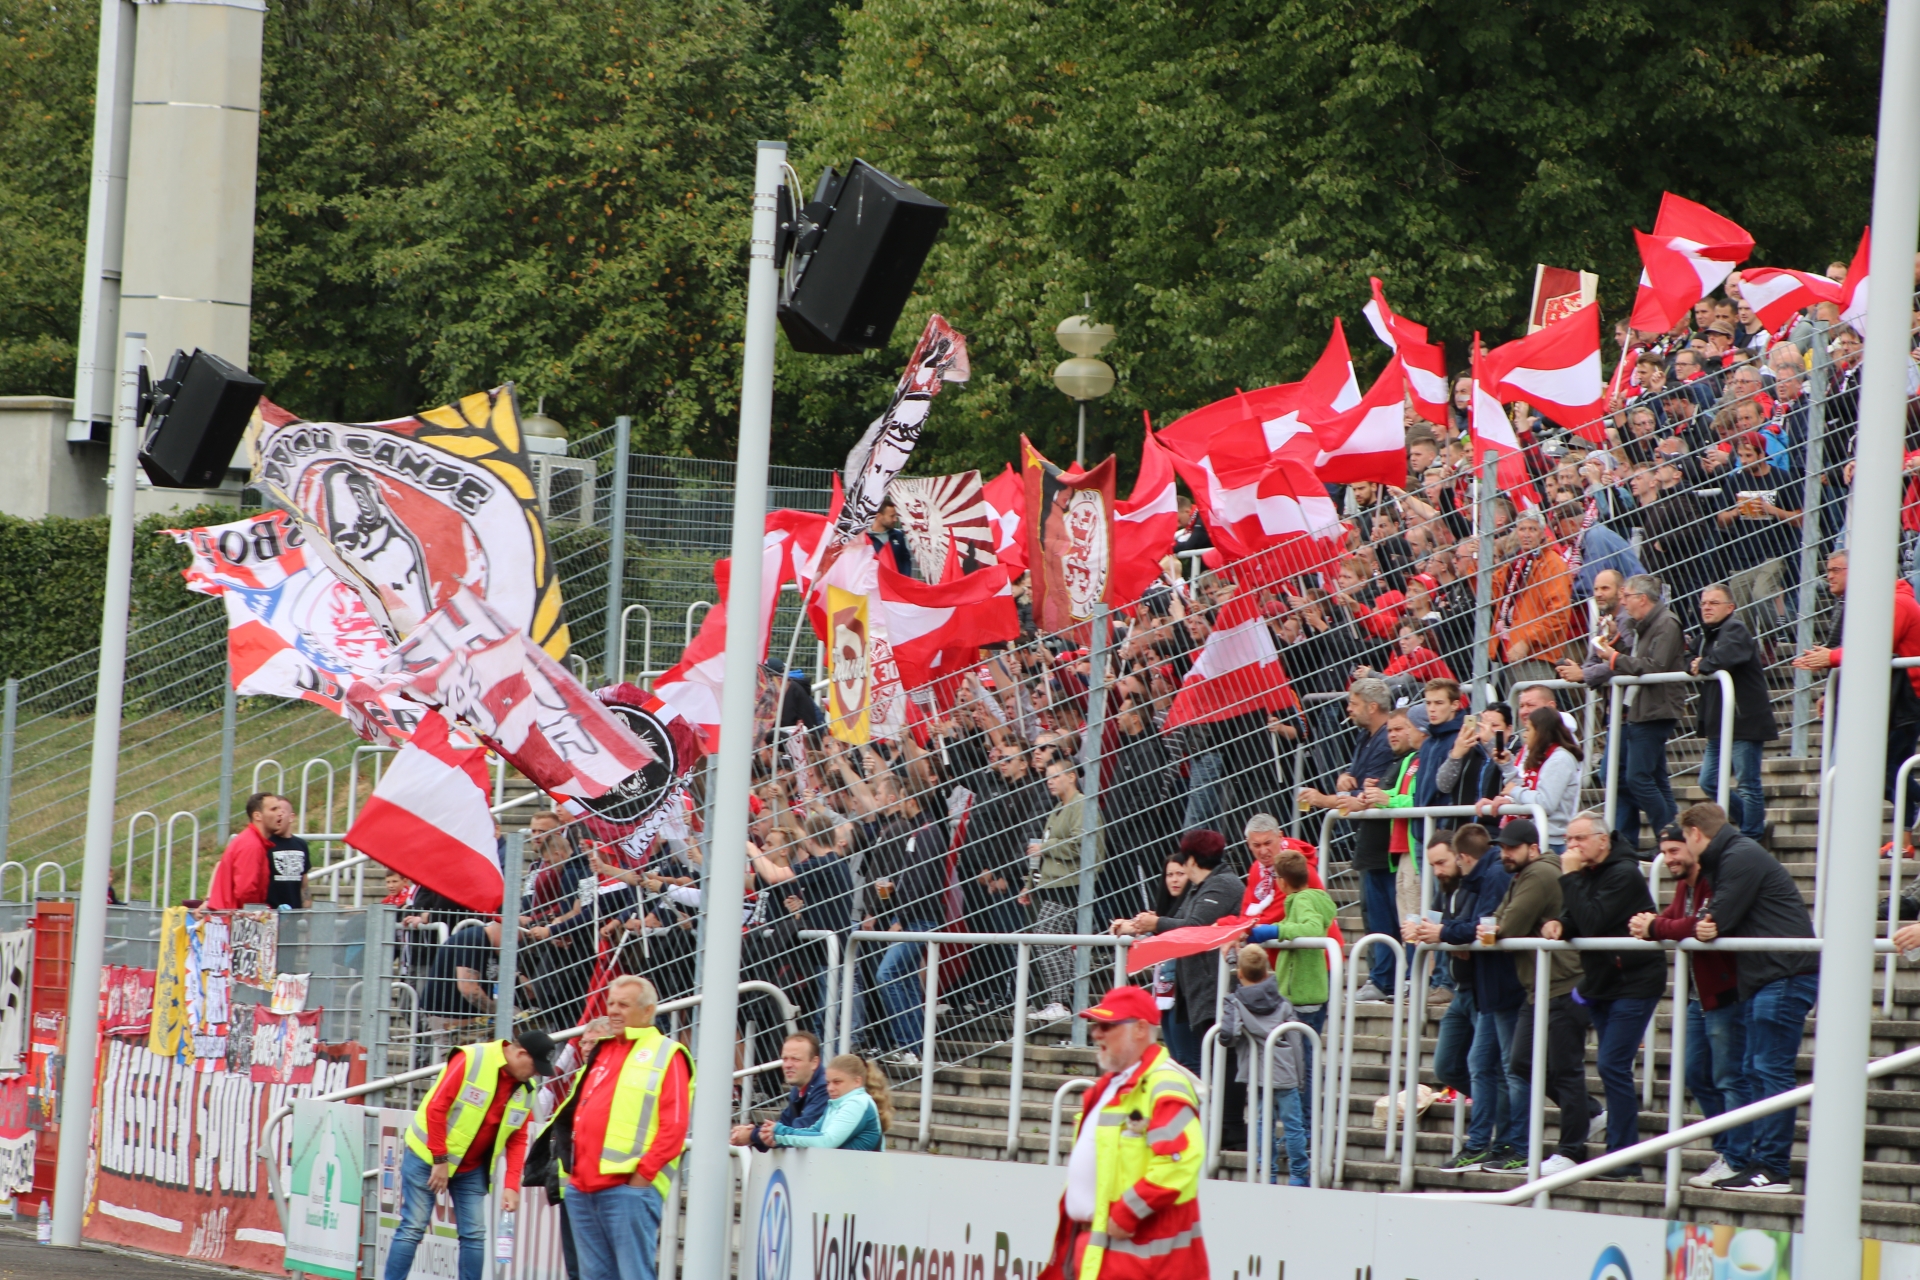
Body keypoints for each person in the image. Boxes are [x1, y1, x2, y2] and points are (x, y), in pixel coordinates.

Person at [1677, 802, 1818, 1193]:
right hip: (1769, 976)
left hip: (1784, 974)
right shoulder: (1731, 856)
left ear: (1695, 834)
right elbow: (1708, 921)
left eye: (1685, 840)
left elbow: (1716, 918)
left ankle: (1773, 1167)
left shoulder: (1738, 856)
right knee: (1756, 1070)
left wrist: (1707, 922)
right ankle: (1761, 1163)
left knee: (1768, 1069)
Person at [1038, 986, 1207, 1280]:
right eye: (1095, 1025)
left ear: (1140, 1029)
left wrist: (1127, 1212)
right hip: (1102, 1251)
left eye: (1107, 1026)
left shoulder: (1163, 1085)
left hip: (1138, 1262)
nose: (1096, 1034)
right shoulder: (1111, 1085)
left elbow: (1179, 1160)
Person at [530, 975, 692, 1279]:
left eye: (624, 1005)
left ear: (647, 1011)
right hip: (582, 1188)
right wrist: (574, 1175)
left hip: (627, 1190)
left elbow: (674, 1127)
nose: (614, 1010)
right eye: (611, 1003)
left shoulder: (668, 1054)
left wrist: (641, 1179)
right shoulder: (603, 1050)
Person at [1631, 822, 1751, 1190]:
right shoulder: (1685, 884)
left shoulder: (1714, 879)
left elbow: (1693, 924)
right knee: (1695, 1074)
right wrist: (1655, 924)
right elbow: (1674, 920)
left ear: (1693, 847)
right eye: (1663, 852)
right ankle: (1728, 1150)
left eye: (1674, 851)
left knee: (1729, 1077)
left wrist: (1655, 927)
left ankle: (1738, 1157)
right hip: (1699, 996)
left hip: (1725, 994)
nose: (1668, 859)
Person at [1542, 811, 1659, 1178]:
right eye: (1568, 840)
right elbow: (1578, 918)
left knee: (1611, 1065)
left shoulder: (1623, 873)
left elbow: (1594, 921)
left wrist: (1570, 876)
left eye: (1579, 839)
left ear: (1603, 840)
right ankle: (1620, 1154)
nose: (1571, 846)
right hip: (1603, 982)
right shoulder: (1588, 873)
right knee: (1611, 1066)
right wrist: (1559, 924)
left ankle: (1624, 1158)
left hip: (1635, 981)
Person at [385, 1029, 555, 1280]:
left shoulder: (526, 1089)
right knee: (413, 1227)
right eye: (535, 1067)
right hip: (427, 1158)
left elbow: (517, 1138)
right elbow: (436, 1108)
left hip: (472, 1167)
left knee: (474, 1235)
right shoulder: (472, 1058)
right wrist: (440, 1159)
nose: (536, 1074)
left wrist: (511, 1186)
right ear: (520, 1054)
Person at [1404, 824, 1519, 1172]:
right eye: (1432, 864)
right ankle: (1494, 1135)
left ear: (1460, 857)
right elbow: (1442, 924)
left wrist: (1448, 935)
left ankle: (1495, 1141)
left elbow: (1478, 927)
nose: (1437, 871)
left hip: (1489, 987)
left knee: (1492, 1068)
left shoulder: (1484, 878)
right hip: (1466, 989)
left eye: (1441, 863)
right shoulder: (1451, 886)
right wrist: (1421, 929)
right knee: (1451, 1066)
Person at [1489, 818, 1587, 1175]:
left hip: (1562, 983)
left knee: (1565, 1070)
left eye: (1511, 848)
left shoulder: (1540, 873)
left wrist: (1496, 927)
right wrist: (1495, 927)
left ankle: (1572, 1149)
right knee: (1521, 1062)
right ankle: (1590, 1113)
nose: (1505, 854)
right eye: (1502, 848)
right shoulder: (1522, 875)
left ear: (1532, 848)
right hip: (1539, 987)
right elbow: (1496, 921)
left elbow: (1506, 926)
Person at [1299, 678, 1396, 999]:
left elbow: (1366, 796)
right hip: (1370, 840)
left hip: (1386, 842)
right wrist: (1345, 779)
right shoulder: (1365, 736)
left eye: (1353, 704)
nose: (1348, 709)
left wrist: (1322, 799)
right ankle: (1381, 979)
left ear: (1372, 706)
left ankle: (1386, 980)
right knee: (1373, 912)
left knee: (1384, 914)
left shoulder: (1386, 741)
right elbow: (1356, 784)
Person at [1117, 830, 1243, 1074]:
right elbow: (1179, 921)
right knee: (1189, 1062)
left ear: (1192, 860)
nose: (1177, 875)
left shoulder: (1222, 884)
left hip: (1213, 991)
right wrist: (1139, 925)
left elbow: (1194, 926)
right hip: (1195, 990)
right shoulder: (1202, 886)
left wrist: (1155, 923)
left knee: (1211, 1067)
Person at [1239, 848, 1334, 1150]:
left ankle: (1305, 1135)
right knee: (1301, 1068)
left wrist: (1273, 930)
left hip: (1304, 999)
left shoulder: (1303, 900)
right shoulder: (1309, 897)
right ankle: (1303, 1133)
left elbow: (1311, 928)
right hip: (1305, 996)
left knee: (1301, 1071)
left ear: (1281, 881)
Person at [1592, 573, 1687, 848]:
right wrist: (1615, 642)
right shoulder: (1646, 624)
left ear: (1642, 599)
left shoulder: (1666, 623)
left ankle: (1668, 838)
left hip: (1655, 710)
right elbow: (1640, 660)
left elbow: (1654, 667)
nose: (1623, 602)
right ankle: (1671, 837)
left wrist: (1614, 658)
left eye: (1627, 597)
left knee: (1637, 778)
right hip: (1643, 708)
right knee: (1653, 778)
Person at [1692, 583, 1779, 843]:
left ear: (1730, 607)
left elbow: (1724, 658)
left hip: (1744, 721)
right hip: (1720, 724)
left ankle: (1752, 837)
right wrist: (1695, 663)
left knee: (1747, 783)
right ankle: (1754, 825)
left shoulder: (1736, 629)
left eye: (1713, 603)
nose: (1707, 607)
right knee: (1708, 781)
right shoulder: (1708, 634)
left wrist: (1702, 664)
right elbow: (1689, 658)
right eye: (1703, 603)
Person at [1217, 945, 1308, 1185]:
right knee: (1293, 1125)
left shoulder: (1235, 1002)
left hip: (1257, 1073)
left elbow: (1228, 1035)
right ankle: (1299, 1175)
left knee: (1261, 1123)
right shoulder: (1283, 1002)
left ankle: (1267, 1173)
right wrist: (1300, 1077)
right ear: (1268, 971)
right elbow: (1296, 1041)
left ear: (1240, 974)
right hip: (1286, 1071)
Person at [1027, 758, 1106, 1021]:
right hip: (1054, 884)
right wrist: (1029, 884)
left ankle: (1060, 1001)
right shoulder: (1059, 808)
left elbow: (1081, 844)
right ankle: (1066, 1000)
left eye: (1055, 776)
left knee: (1045, 937)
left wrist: (1046, 848)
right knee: (1055, 942)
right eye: (1047, 777)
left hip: (1072, 885)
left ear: (1071, 777)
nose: (1049, 782)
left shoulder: (1081, 805)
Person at [1489, 510, 1572, 696]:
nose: (1526, 534)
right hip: (1511, 652)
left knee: (1533, 706)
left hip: (1536, 654)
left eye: (1532, 529)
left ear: (1542, 533)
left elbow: (1558, 615)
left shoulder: (1553, 564)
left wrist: (1527, 641)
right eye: (1522, 529)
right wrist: (1475, 562)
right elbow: (1489, 590)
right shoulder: (1517, 561)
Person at [1479, 706, 1583, 850]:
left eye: (1528, 730)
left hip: (1549, 842)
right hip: (1533, 836)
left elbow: (1545, 803)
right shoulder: (1543, 756)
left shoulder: (1559, 759)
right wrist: (1507, 766)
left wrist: (1515, 792)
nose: (1525, 735)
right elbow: (1527, 790)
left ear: (1540, 732)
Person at [757, 1053, 892, 1151]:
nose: (830, 1088)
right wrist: (778, 1138)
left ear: (857, 1081)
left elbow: (826, 1142)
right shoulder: (837, 1102)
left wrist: (780, 1132)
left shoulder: (857, 1102)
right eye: (828, 1082)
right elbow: (814, 1131)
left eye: (837, 1082)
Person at [733, 1032, 827, 1151]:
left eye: (795, 1059)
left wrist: (753, 1134)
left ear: (814, 1062)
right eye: (785, 1059)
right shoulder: (798, 1088)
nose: (787, 1065)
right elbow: (785, 1125)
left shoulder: (825, 1088)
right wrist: (756, 1133)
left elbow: (799, 1134)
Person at [421, 919, 502, 1055]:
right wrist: (500, 1014)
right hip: (450, 1016)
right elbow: (469, 990)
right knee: (464, 1064)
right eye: (522, 930)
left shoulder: (492, 945)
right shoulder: (472, 940)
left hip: (469, 1016)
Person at [205, 792, 284, 910]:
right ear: (257, 816)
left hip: (228, 915)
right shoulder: (252, 845)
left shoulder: (252, 841)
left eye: (280, 809)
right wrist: (261, 912)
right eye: (273, 809)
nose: (280, 813)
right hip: (232, 917)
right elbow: (246, 892)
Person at [262, 794, 311, 909]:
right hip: (271, 913)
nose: (278, 815)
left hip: (295, 913)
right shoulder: (265, 844)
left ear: (291, 817)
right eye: (275, 811)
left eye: (282, 812)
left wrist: (307, 908)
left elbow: (304, 885)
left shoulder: (301, 845)